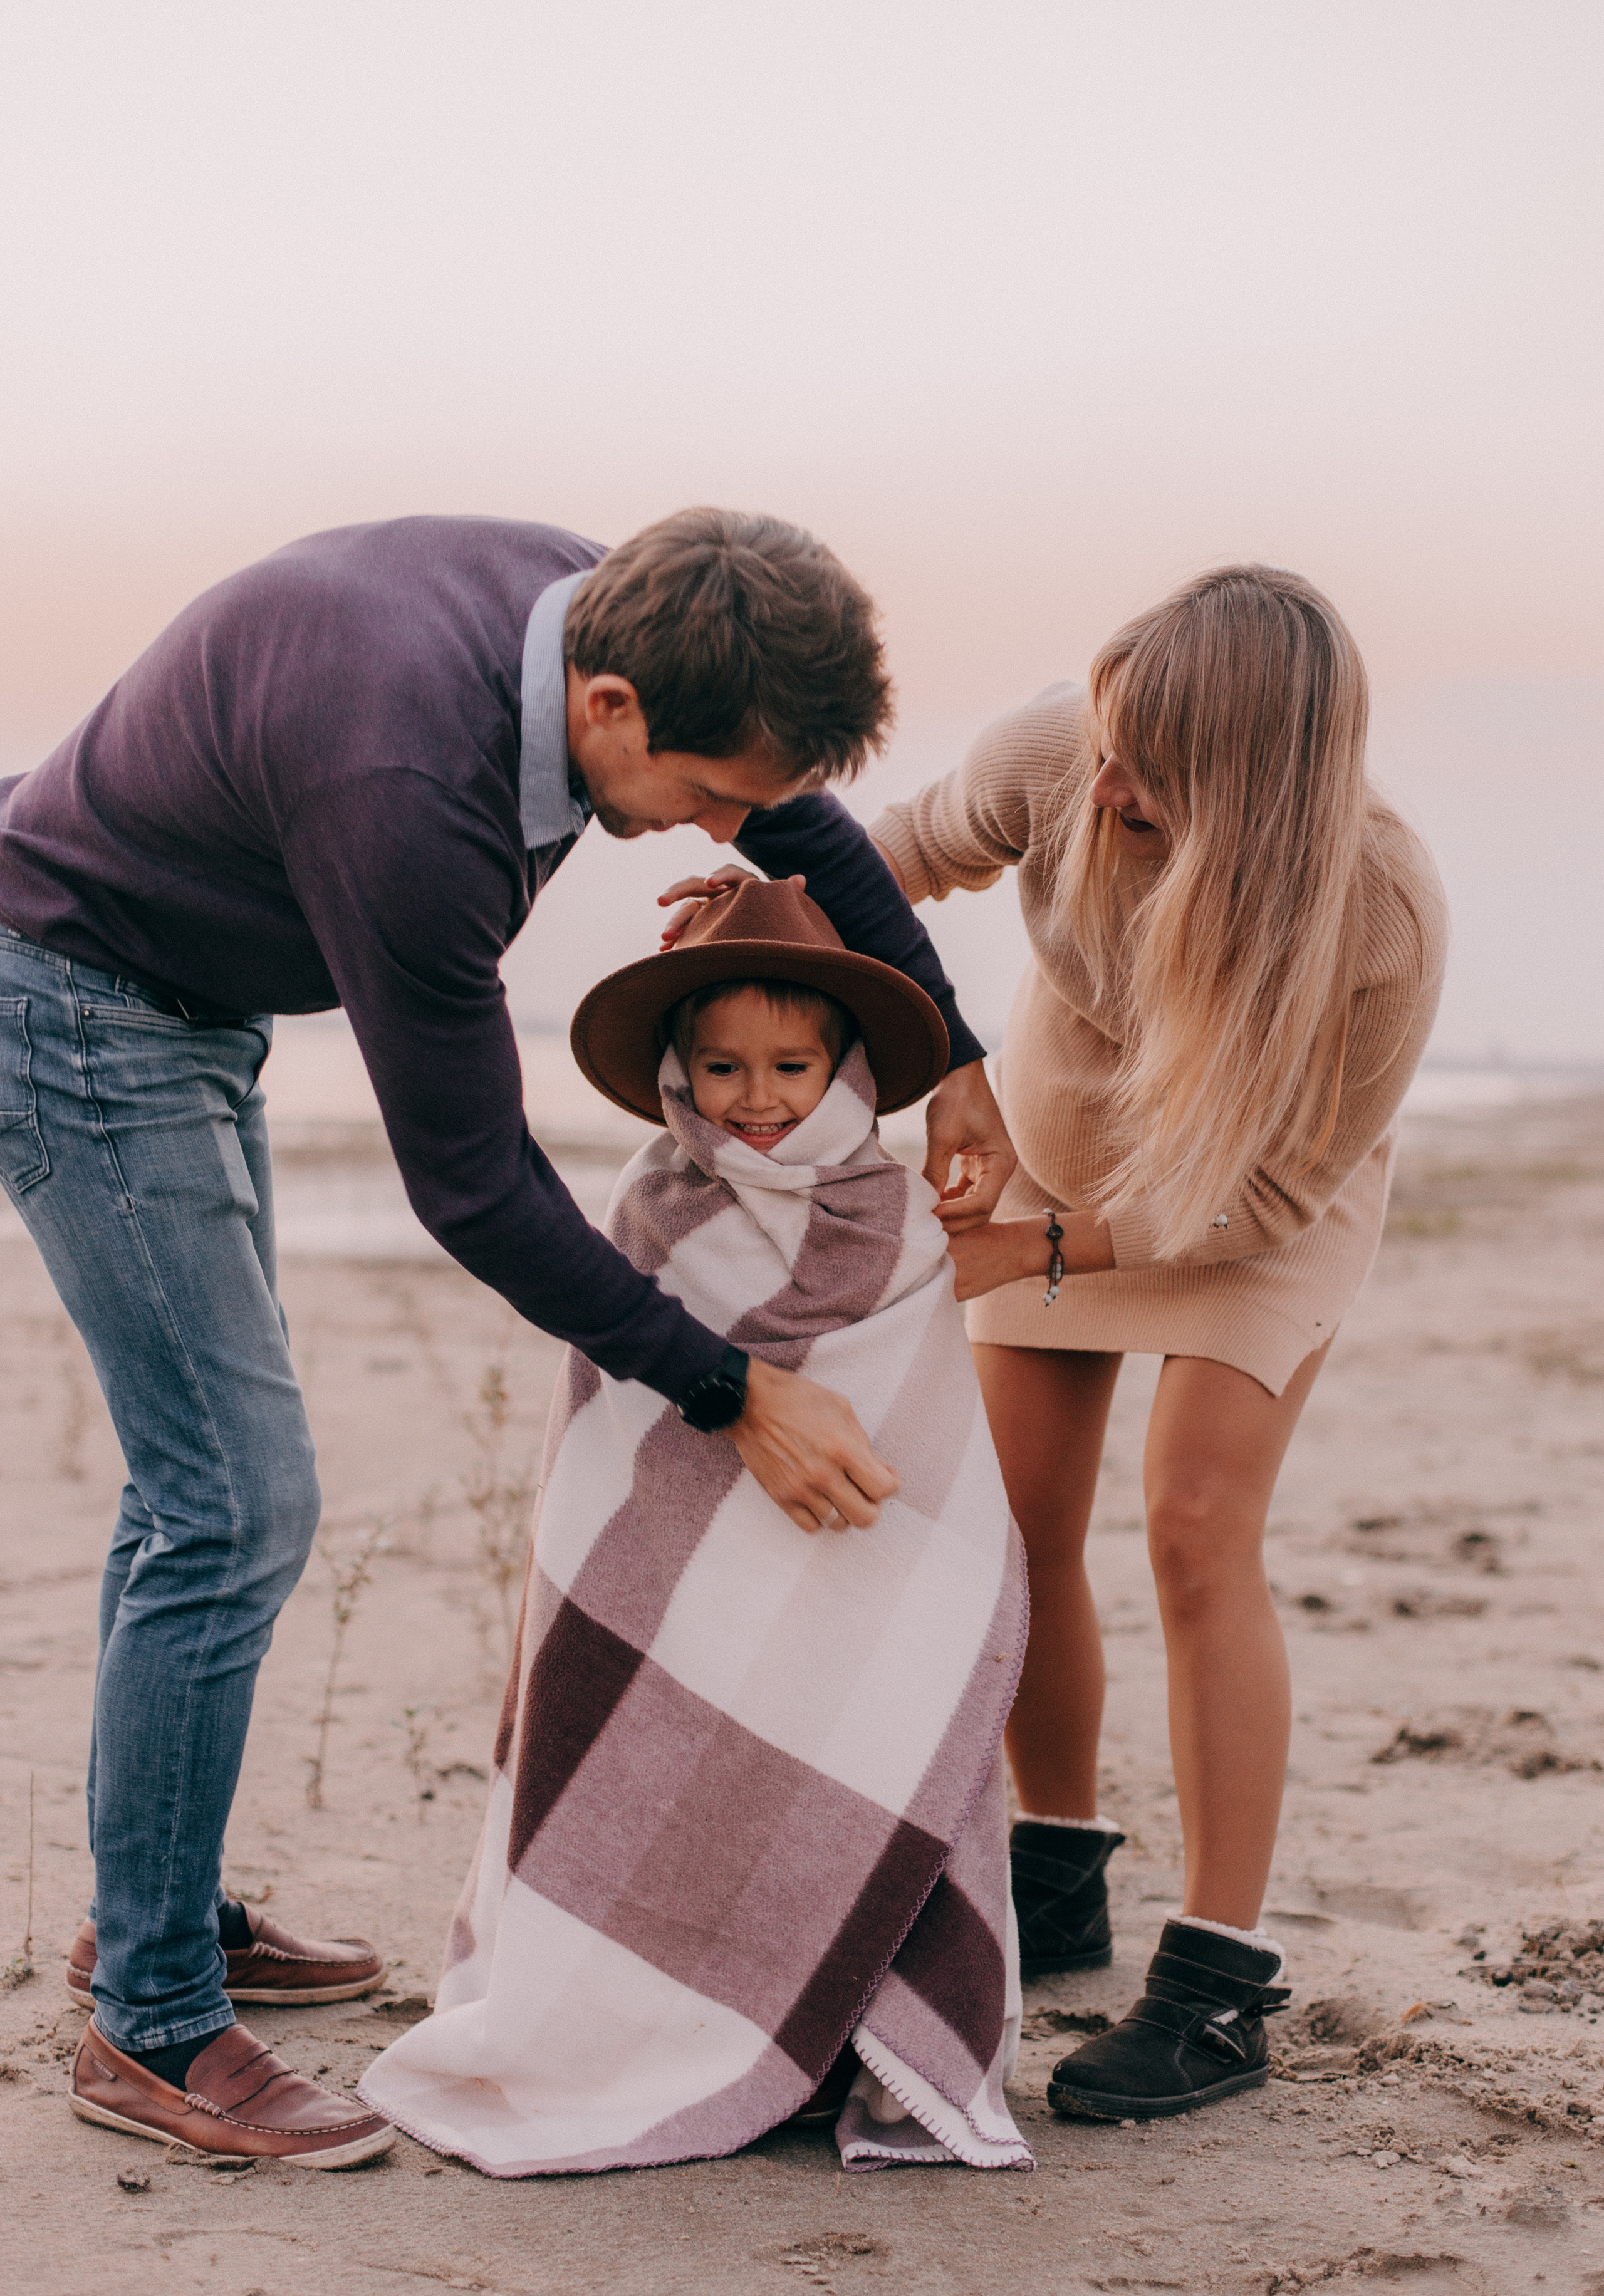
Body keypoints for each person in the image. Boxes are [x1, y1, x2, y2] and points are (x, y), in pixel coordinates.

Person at [0, 509, 1013, 2166]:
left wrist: (953, 1048)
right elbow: (473, 1186)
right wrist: (730, 1389)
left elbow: (801, 811)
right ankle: (156, 2018)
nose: (724, 829)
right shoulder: (408, 791)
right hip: (77, 998)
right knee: (234, 1502)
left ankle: (148, 1904)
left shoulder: (621, 605)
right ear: (610, 708)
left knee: (194, 1492)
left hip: (178, 981)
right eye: (705, 794)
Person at [868, 564, 1448, 2121]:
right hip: (1067, 1148)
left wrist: (1029, 1249)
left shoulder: (1380, 908)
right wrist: (765, 919)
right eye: (1111, 737)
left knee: (1195, 1530)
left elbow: (1259, 1196)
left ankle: (1213, 1986)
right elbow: (900, 856)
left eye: (1154, 771)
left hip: (1257, 1202)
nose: (1104, 783)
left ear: (1259, 791)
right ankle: (1052, 1876)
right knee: (1019, 1525)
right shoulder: (1064, 754)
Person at [360, 879, 1032, 2175]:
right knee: (663, 1755)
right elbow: (612, 1431)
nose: (755, 1095)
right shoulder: (651, 1208)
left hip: (845, 1575)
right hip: (674, 1587)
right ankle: (652, 2016)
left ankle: (837, 2033)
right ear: (677, 1069)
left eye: (790, 1063)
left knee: (867, 1727)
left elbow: (923, 1413)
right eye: (720, 1065)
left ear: (843, 1067)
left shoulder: (892, 1220)